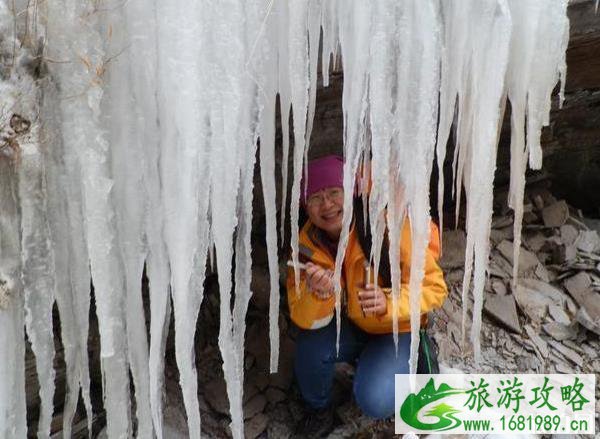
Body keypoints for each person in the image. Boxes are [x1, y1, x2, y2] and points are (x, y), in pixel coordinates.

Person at [287, 155, 448, 437]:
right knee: (309, 347)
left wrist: (389, 302)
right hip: (351, 325)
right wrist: (320, 295)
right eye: (315, 197)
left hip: (396, 330)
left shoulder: (389, 225)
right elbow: (301, 316)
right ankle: (319, 409)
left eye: (334, 193)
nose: (327, 204)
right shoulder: (306, 246)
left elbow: (435, 288)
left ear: (350, 192)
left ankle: (414, 357)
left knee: (373, 401)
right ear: (305, 206)